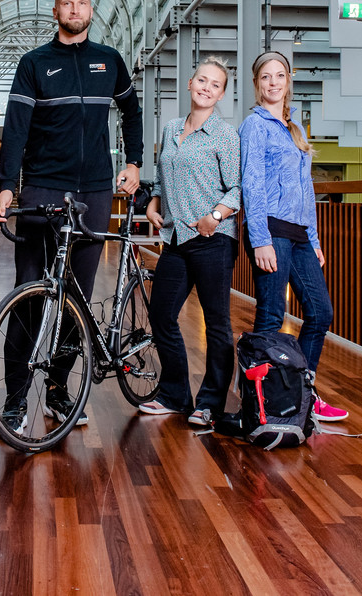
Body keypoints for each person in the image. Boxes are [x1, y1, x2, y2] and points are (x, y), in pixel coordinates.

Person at [0, 0, 144, 429]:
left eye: (81, 3)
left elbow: (131, 111)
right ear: (55, 11)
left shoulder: (110, 61)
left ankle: (58, 392)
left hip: (95, 191)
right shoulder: (34, 63)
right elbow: (15, 129)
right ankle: (16, 402)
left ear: (90, 10)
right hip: (42, 189)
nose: (74, 10)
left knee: (78, 295)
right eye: (67, 3)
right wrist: (6, 187)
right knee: (29, 293)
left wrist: (133, 161)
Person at [239, 50, 348, 423]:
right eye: (265, 77)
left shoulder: (295, 128)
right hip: (271, 230)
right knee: (272, 315)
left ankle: (303, 393)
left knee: (320, 313)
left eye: (279, 75)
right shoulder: (254, 126)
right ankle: (262, 402)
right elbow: (251, 184)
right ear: (257, 84)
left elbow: (306, 189)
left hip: (300, 235)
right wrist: (260, 238)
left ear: (288, 81)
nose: (273, 82)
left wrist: (314, 240)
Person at [141, 58, 241, 428]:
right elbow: (162, 175)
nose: (206, 88)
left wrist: (214, 217)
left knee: (216, 324)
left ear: (221, 94)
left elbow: (237, 188)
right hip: (176, 237)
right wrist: (153, 201)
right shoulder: (170, 129)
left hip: (212, 240)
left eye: (215, 85)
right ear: (190, 82)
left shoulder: (225, 136)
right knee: (161, 315)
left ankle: (210, 403)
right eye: (202, 80)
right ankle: (175, 394)